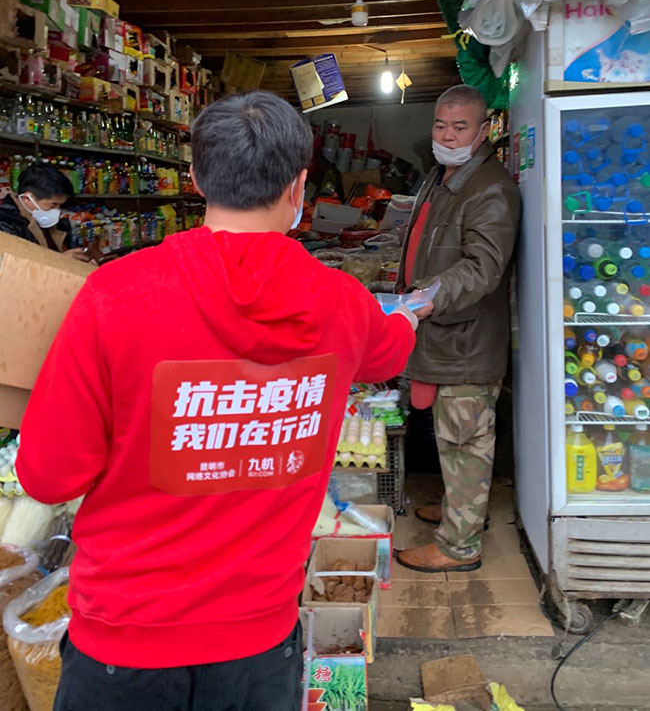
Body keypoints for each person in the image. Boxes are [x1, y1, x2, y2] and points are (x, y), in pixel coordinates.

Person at [16, 91, 431, 711]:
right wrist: (408, 317)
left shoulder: (115, 295)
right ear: (299, 186)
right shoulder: (342, 303)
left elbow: (49, 476)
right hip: (258, 640)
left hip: (125, 637)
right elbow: (389, 352)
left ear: (195, 178)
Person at [395, 84, 520, 575]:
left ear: (484, 130)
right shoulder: (444, 175)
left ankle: (459, 546)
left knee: (466, 441)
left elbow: (482, 267)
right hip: (444, 330)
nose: (448, 135)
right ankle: (460, 509)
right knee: (453, 438)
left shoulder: (490, 188)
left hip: (465, 336)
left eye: (460, 126)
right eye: (441, 125)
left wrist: (426, 297)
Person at [0, 163, 87, 259]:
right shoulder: (6, 226)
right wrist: (60, 260)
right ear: (27, 199)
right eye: (53, 205)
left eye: (60, 205)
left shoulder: (59, 224)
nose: (57, 211)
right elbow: (12, 265)